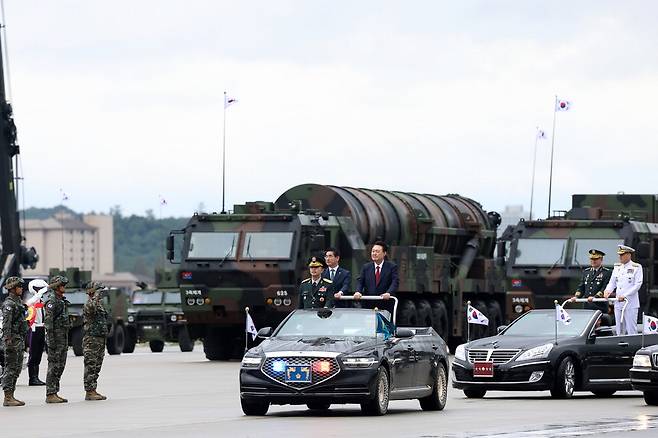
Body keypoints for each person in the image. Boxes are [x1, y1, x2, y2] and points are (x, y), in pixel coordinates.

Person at [604, 245, 642, 335]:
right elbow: (612, 282)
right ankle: (620, 347)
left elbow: (637, 285)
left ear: (629, 255)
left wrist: (625, 295)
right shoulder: (617, 267)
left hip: (630, 303)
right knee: (619, 329)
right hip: (618, 303)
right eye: (619, 255)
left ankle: (632, 348)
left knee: (631, 329)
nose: (620, 257)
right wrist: (607, 291)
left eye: (622, 254)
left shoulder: (636, 267)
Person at [1, 276, 28, 407]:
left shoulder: (18, 302)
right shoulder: (9, 304)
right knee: (11, 368)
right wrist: (8, 339)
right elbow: (6, 324)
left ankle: (11, 395)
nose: (21, 289)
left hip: (19, 338)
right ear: (12, 288)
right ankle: (7, 397)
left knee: (16, 368)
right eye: (19, 287)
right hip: (12, 340)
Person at [44, 275, 71, 403]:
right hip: (55, 339)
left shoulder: (61, 300)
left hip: (62, 339)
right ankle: (50, 393)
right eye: (62, 285)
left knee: (61, 365)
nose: (64, 287)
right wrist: (51, 341)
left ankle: (55, 391)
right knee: (54, 365)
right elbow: (48, 324)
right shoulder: (52, 301)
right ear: (56, 287)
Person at [83, 281, 109, 401]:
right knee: (91, 365)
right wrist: (96, 294)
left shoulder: (99, 304)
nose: (101, 293)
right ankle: (89, 391)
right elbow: (91, 309)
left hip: (99, 339)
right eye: (99, 291)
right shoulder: (89, 304)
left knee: (97, 365)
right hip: (91, 339)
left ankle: (93, 389)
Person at [570, 249, 612, 314]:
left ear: (601, 259)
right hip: (587, 306)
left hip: (600, 306)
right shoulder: (586, 272)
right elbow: (581, 287)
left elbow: (605, 288)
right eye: (591, 259)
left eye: (595, 259)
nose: (593, 261)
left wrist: (595, 297)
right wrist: (576, 297)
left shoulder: (607, 272)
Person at [25, 278, 49, 386]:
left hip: (41, 328)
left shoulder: (40, 301)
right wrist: (40, 292)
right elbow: (29, 304)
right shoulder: (32, 300)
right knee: (33, 354)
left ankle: (36, 377)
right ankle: (32, 378)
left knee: (38, 354)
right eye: (39, 288)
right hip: (34, 329)